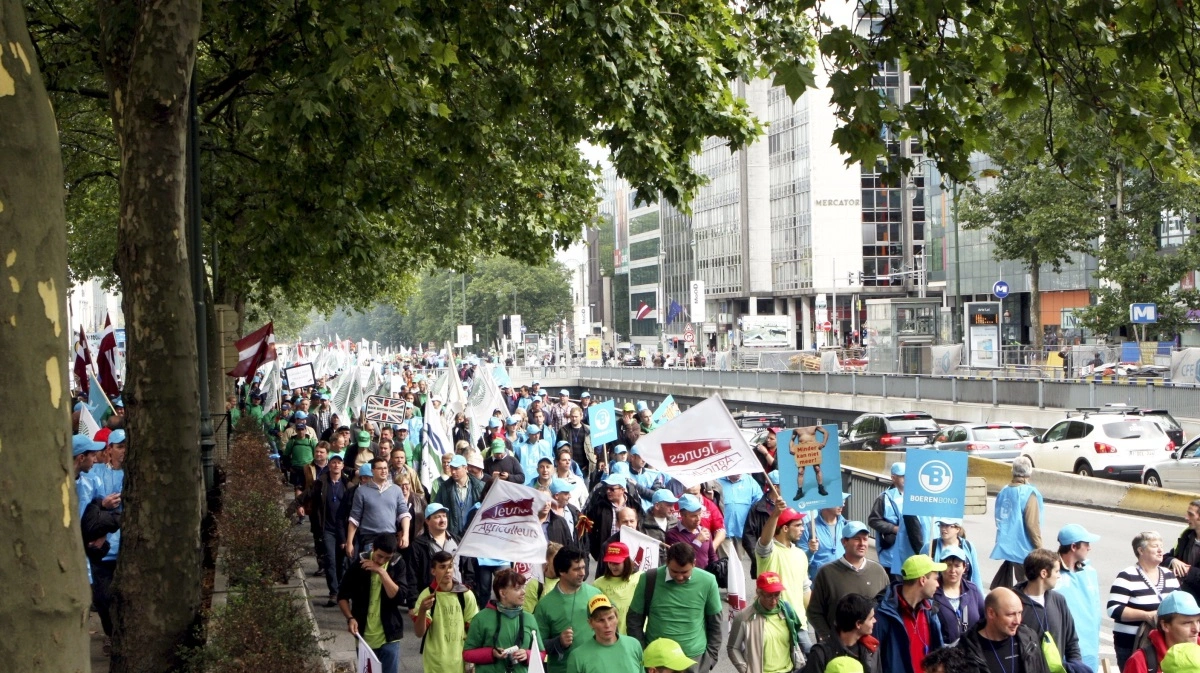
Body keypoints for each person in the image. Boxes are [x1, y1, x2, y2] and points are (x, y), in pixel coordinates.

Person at [627, 542, 724, 672]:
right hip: (658, 663)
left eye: (685, 572)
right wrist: (643, 653)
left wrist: (710, 659)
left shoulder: (708, 581)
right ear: (666, 562)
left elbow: (715, 623)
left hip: (694, 661)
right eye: (674, 571)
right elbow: (634, 621)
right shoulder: (649, 579)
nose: (679, 577)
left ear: (694, 563)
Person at [338, 533, 415, 673]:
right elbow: (342, 596)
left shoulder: (397, 564)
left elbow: (399, 597)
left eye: (387, 558)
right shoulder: (359, 564)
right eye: (379, 556)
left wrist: (381, 572)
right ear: (373, 548)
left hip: (389, 635)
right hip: (364, 636)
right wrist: (350, 618)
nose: (382, 560)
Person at [808, 521, 891, 643]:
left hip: (872, 648)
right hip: (839, 648)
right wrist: (828, 639)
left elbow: (888, 609)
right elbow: (814, 612)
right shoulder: (826, 573)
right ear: (844, 542)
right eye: (857, 539)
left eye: (865, 539)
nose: (862, 543)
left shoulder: (878, 571)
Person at [1110, 531, 1182, 668]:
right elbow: (1114, 609)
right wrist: (1146, 615)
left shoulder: (1169, 575)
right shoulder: (1127, 575)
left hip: (1163, 643)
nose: (1161, 550)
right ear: (1141, 550)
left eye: (1161, 545)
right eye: (1155, 546)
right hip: (1131, 644)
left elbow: (1179, 604)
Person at [1011, 548, 1086, 673]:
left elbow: (1071, 641)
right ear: (1044, 573)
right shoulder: (1013, 603)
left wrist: (1076, 666)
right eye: (1056, 571)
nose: (1058, 575)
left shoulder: (1059, 600)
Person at [874, 555, 949, 673]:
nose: (938, 585)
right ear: (923, 580)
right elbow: (873, 658)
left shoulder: (930, 610)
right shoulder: (883, 612)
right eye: (935, 579)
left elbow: (938, 650)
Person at [534, 548, 605, 673]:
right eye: (576, 569)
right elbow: (537, 646)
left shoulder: (596, 594)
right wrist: (559, 642)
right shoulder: (545, 605)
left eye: (583, 567)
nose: (583, 573)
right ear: (562, 571)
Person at [412, 550, 479, 673]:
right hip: (435, 662)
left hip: (460, 660)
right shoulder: (426, 595)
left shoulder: (465, 594)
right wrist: (422, 611)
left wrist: (472, 660)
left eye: (450, 566)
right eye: (442, 567)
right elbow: (419, 633)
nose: (447, 571)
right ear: (433, 571)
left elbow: (473, 630)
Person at [728, 571, 807, 673]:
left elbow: (795, 640)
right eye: (769, 595)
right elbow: (733, 648)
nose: (774, 600)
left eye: (777, 594)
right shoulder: (744, 617)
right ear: (758, 593)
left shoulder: (787, 610)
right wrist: (746, 670)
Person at [463, 568, 539, 673]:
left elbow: (541, 652)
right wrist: (491, 653)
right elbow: (467, 654)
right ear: (502, 593)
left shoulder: (530, 618)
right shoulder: (481, 618)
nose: (523, 592)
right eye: (517, 589)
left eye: (523, 587)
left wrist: (527, 654)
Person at [956, 588, 1050, 673]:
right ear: (991, 613)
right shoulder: (965, 650)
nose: (1018, 621)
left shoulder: (1030, 638)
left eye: (1020, 613)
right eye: (1011, 614)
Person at [301, 451, 352, 605]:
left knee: (342, 562)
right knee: (330, 560)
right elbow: (306, 495)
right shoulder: (321, 483)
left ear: (343, 466)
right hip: (327, 528)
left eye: (339, 463)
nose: (336, 465)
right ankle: (334, 592)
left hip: (343, 530)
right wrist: (296, 507)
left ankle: (343, 591)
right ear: (329, 465)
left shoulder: (348, 486)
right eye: (333, 463)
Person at [756, 491, 812, 632]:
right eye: (798, 525)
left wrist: (816, 620)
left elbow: (805, 590)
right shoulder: (769, 551)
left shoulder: (801, 554)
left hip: (800, 624)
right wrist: (775, 514)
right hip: (773, 623)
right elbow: (764, 541)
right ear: (785, 528)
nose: (802, 529)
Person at [989, 457, 1043, 589]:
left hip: (1008, 546)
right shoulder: (1029, 493)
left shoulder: (1004, 491)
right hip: (1024, 548)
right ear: (1029, 472)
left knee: (1020, 583)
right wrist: (1039, 548)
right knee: (1029, 587)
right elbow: (1032, 524)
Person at [1056, 524, 1104, 672]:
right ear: (1073, 546)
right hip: (1064, 648)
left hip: (1090, 647)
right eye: (1086, 544)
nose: (1089, 548)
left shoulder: (1089, 572)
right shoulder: (1051, 572)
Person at [346, 457, 412, 558]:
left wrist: (405, 535)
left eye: (385, 468)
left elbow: (404, 514)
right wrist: (349, 542)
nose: (384, 471)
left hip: (390, 537)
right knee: (371, 570)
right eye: (380, 468)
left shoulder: (396, 490)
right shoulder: (361, 491)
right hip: (370, 539)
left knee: (389, 572)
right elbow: (354, 519)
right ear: (372, 471)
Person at [1123, 591, 1200, 673]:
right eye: (1187, 623)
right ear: (1165, 625)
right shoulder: (1140, 661)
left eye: (1198, 621)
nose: (1197, 630)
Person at [803, 593, 881, 673]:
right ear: (858, 624)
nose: (875, 621)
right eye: (871, 618)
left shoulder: (871, 648)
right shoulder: (820, 654)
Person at [565, 595, 645, 673]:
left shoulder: (634, 645)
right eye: (600, 620)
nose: (607, 625)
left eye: (610, 618)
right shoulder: (578, 657)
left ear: (617, 618)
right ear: (590, 623)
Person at [406, 503, 472, 589]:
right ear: (427, 521)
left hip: (458, 593)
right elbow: (412, 576)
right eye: (437, 517)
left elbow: (468, 568)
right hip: (433, 596)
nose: (442, 520)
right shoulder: (418, 545)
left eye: (444, 516)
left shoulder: (457, 541)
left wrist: (468, 587)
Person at [587, 473, 644, 568]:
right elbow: (589, 530)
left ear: (622, 490)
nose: (608, 491)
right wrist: (597, 551)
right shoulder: (599, 506)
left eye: (612, 489)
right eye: (607, 488)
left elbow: (641, 527)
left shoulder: (634, 505)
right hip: (607, 555)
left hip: (630, 554)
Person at [931, 547, 985, 646]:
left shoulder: (973, 590)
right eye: (948, 565)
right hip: (943, 654)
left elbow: (984, 619)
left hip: (972, 652)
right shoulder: (932, 591)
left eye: (957, 566)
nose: (953, 570)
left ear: (964, 567)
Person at [431, 454, 486, 538]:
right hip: (453, 535)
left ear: (466, 468)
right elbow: (437, 509)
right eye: (452, 468)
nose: (453, 471)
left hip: (475, 534)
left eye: (456, 468)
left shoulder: (480, 486)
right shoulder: (444, 488)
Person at [594, 542, 643, 635]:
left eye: (616, 563)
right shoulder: (598, 584)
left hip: (636, 634)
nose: (613, 566)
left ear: (626, 561)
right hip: (612, 636)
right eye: (610, 562)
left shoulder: (640, 577)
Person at [666, 494, 720, 577]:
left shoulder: (705, 531)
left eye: (699, 514)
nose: (698, 519)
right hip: (683, 579)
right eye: (694, 516)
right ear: (682, 515)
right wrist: (697, 541)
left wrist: (718, 570)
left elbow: (712, 556)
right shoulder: (672, 535)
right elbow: (681, 559)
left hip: (705, 579)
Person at [869, 464, 906, 581]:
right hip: (891, 554)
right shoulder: (884, 498)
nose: (906, 479)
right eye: (902, 476)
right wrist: (893, 528)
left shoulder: (914, 496)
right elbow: (873, 520)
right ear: (893, 478)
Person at [801, 493, 851, 579]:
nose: (842, 505)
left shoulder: (846, 525)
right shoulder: (808, 528)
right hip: (820, 583)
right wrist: (810, 551)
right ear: (825, 502)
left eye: (843, 501)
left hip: (843, 580)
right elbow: (801, 562)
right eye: (838, 501)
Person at [928, 519, 982, 587]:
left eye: (947, 525)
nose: (943, 529)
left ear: (957, 529)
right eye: (941, 525)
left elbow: (975, 575)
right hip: (938, 593)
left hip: (964, 592)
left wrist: (980, 595)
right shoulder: (930, 546)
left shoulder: (968, 546)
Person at [1165, 500, 1200, 603]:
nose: (1186, 517)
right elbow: (1166, 557)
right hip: (1186, 600)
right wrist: (1173, 561)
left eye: (1191, 514)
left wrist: (1187, 571)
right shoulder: (1186, 536)